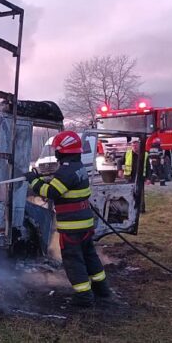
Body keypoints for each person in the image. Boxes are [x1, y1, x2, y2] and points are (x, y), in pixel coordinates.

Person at [24, 131, 111, 307]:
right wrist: (42, 178)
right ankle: (102, 289)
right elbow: (63, 186)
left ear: (63, 150)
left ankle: (84, 297)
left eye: (57, 149)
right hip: (84, 224)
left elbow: (51, 192)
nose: (55, 152)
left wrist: (34, 181)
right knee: (90, 257)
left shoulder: (66, 171)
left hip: (72, 227)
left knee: (73, 261)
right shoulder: (78, 167)